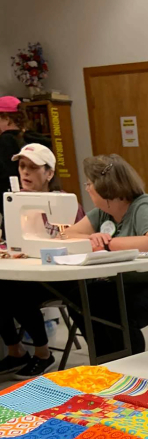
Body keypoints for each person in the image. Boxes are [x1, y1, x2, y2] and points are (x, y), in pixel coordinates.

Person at [62, 154, 148, 354]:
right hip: (130, 281)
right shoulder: (105, 211)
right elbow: (68, 235)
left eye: (89, 184)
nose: (87, 189)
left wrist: (107, 244)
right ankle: (105, 359)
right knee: (79, 299)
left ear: (105, 187)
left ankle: (127, 360)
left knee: (114, 310)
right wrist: (91, 239)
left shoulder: (143, 206)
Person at [0, 143, 85, 378]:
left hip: (61, 276)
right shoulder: (15, 203)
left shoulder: (62, 203)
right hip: (28, 271)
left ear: (49, 173)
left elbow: (73, 242)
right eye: (22, 166)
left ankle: (43, 354)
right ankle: (16, 352)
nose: (25, 172)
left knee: (16, 290)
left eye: (33, 167)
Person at [0, 96, 26, 216]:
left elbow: (4, 173)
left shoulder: (5, 140)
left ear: (6, 118)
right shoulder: (29, 138)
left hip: (10, 197)